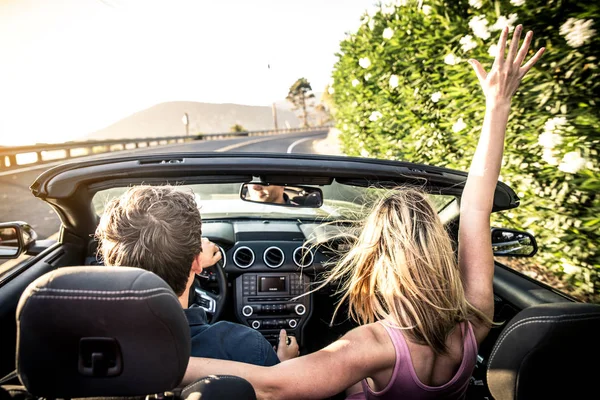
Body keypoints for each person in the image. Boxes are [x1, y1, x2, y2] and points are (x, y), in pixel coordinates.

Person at [180, 25, 545, 399]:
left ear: (374, 263)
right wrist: (498, 105)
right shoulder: (475, 318)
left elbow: (274, 386)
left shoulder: (368, 346)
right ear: (440, 252)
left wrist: (167, 361)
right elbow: (476, 205)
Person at [94, 185, 298, 366]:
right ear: (197, 262)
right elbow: (274, 388)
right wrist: (282, 366)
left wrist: (194, 259)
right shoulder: (246, 348)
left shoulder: (89, 344)